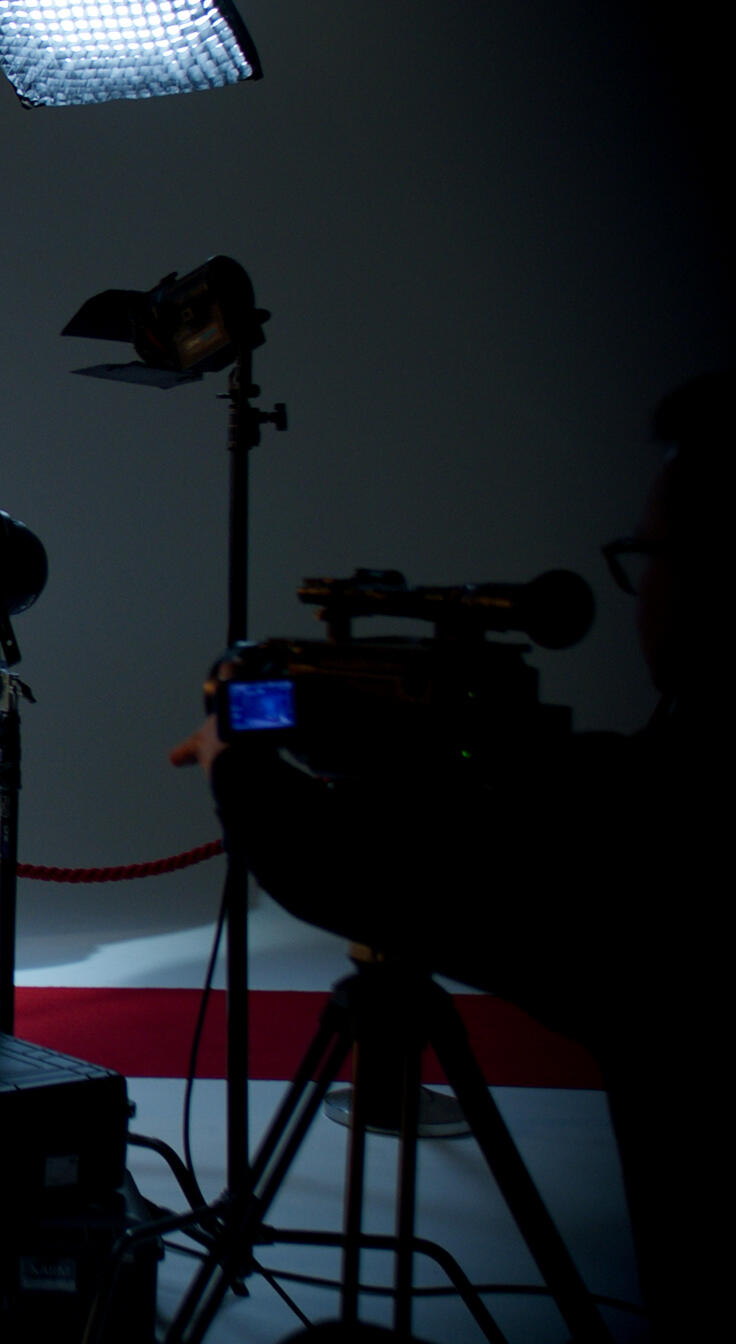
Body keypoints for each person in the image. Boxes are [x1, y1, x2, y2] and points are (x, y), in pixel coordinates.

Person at [172, 371, 717, 1337]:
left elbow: (355, 870)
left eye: (649, 556)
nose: (644, 591)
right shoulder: (645, 782)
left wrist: (233, 762)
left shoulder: (648, 821)